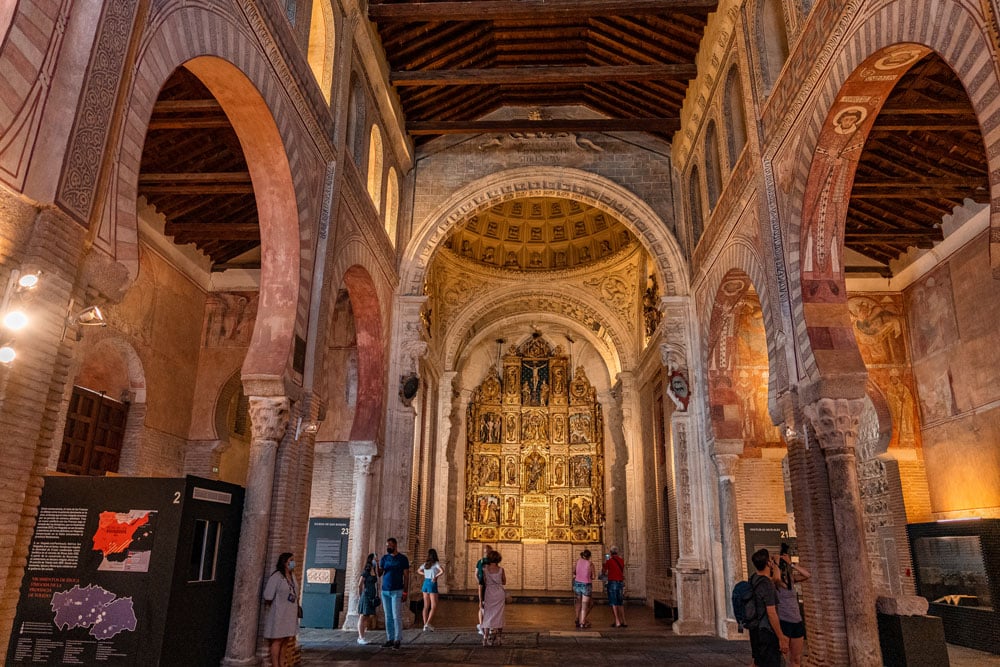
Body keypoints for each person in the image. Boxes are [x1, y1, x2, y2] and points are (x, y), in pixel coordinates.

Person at [748, 548, 789, 667]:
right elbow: (771, 613)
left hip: (754, 629)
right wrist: (781, 636)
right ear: (768, 563)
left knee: (757, 662)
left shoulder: (753, 579)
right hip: (766, 631)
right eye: (770, 560)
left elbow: (776, 578)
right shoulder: (767, 584)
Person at [775, 543, 810, 667]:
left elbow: (807, 575)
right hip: (784, 622)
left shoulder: (791, 579)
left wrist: (791, 563)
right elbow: (778, 579)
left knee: (796, 659)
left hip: (797, 622)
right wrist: (777, 563)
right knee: (784, 660)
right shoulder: (776, 581)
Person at [262, 552, 299, 667]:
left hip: (290, 613)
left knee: (285, 640)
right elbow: (268, 595)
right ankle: (275, 664)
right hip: (279, 613)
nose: (293, 563)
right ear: (285, 562)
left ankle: (283, 663)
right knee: (277, 640)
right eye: (291, 560)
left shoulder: (292, 576)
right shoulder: (277, 576)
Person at [378, 537, 410, 650]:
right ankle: (389, 638)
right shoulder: (384, 558)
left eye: (390, 545)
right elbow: (380, 573)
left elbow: (406, 576)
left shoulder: (402, 559)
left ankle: (397, 639)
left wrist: (405, 591)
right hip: (385, 590)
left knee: (396, 615)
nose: (388, 547)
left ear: (395, 545)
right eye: (387, 545)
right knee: (388, 616)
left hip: (397, 590)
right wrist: (377, 564)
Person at [480, 550, 507, 646]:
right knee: (499, 615)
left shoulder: (485, 569)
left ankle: (485, 638)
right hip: (499, 593)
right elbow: (504, 582)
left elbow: (483, 581)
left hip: (489, 593)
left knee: (488, 615)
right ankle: (499, 638)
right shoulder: (501, 570)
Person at [355, 553, 379, 645]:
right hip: (366, 595)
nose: (376, 560)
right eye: (375, 559)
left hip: (372, 595)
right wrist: (360, 595)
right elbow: (359, 584)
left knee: (367, 616)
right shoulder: (365, 572)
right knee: (362, 616)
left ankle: (362, 635)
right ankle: (360, 637)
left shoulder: (374, 571)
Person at [418, 548, 444, 631]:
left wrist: (425, 574)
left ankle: (425, 625)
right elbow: (442, 571)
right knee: (434, 605)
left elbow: (418, 570)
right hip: (432, 584)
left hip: (425, 583)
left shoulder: (426, 564)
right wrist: (435, 576)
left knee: (426, 606)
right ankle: (428, 623)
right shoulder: (436, 563)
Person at [602, 546, 627, 627]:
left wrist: (605, 563)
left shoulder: (609, 561)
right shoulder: (621, 560)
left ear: (611, 552)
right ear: (617, 552)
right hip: (620, 583)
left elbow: (604, 571)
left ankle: (617, 621)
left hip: (612, 582)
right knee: (620, 602)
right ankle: (624, 621)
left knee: (613, 602)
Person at [573, 549, 595, 628]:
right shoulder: (590, 564)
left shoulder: (578, 561)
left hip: (577, 584)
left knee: (578, 601)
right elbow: (593, 576)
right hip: (586, 584)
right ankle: (582, 622)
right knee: (585, 604)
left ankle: (577, 618)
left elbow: (574, 571)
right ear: (589, 556)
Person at [475, 544, 493, 635]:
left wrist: (480, 582)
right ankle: (487, 626)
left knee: (481, 607)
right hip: (489, 585)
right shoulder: (492, 562)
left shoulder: (480, 561)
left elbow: (476, 574)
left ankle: (482, 625)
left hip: (483, 584)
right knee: (488, 607)